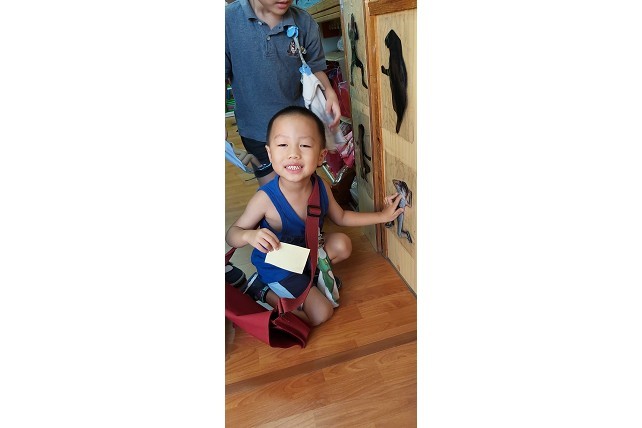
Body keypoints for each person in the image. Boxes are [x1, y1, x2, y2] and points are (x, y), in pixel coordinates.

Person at [225, 106, 405, 326]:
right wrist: (248, 236)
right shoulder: (265, 199)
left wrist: (382, 216)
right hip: (278, 266)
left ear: (321, 156)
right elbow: (232, 235)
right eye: (283, 145)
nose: (293, 153)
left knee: (342, 244)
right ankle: (260, 289)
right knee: (321, 314)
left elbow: (341, 217)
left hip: (305, 255)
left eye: (304, 145)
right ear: (270, 153)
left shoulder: (320, 186)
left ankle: (309, 280)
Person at [225, 0, 342, 186]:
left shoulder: (304, 21)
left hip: (300, 128)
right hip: (256, 131)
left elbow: (315, 67)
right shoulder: (228, 20)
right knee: (274, 193)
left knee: (302, 187)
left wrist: (329, 91)